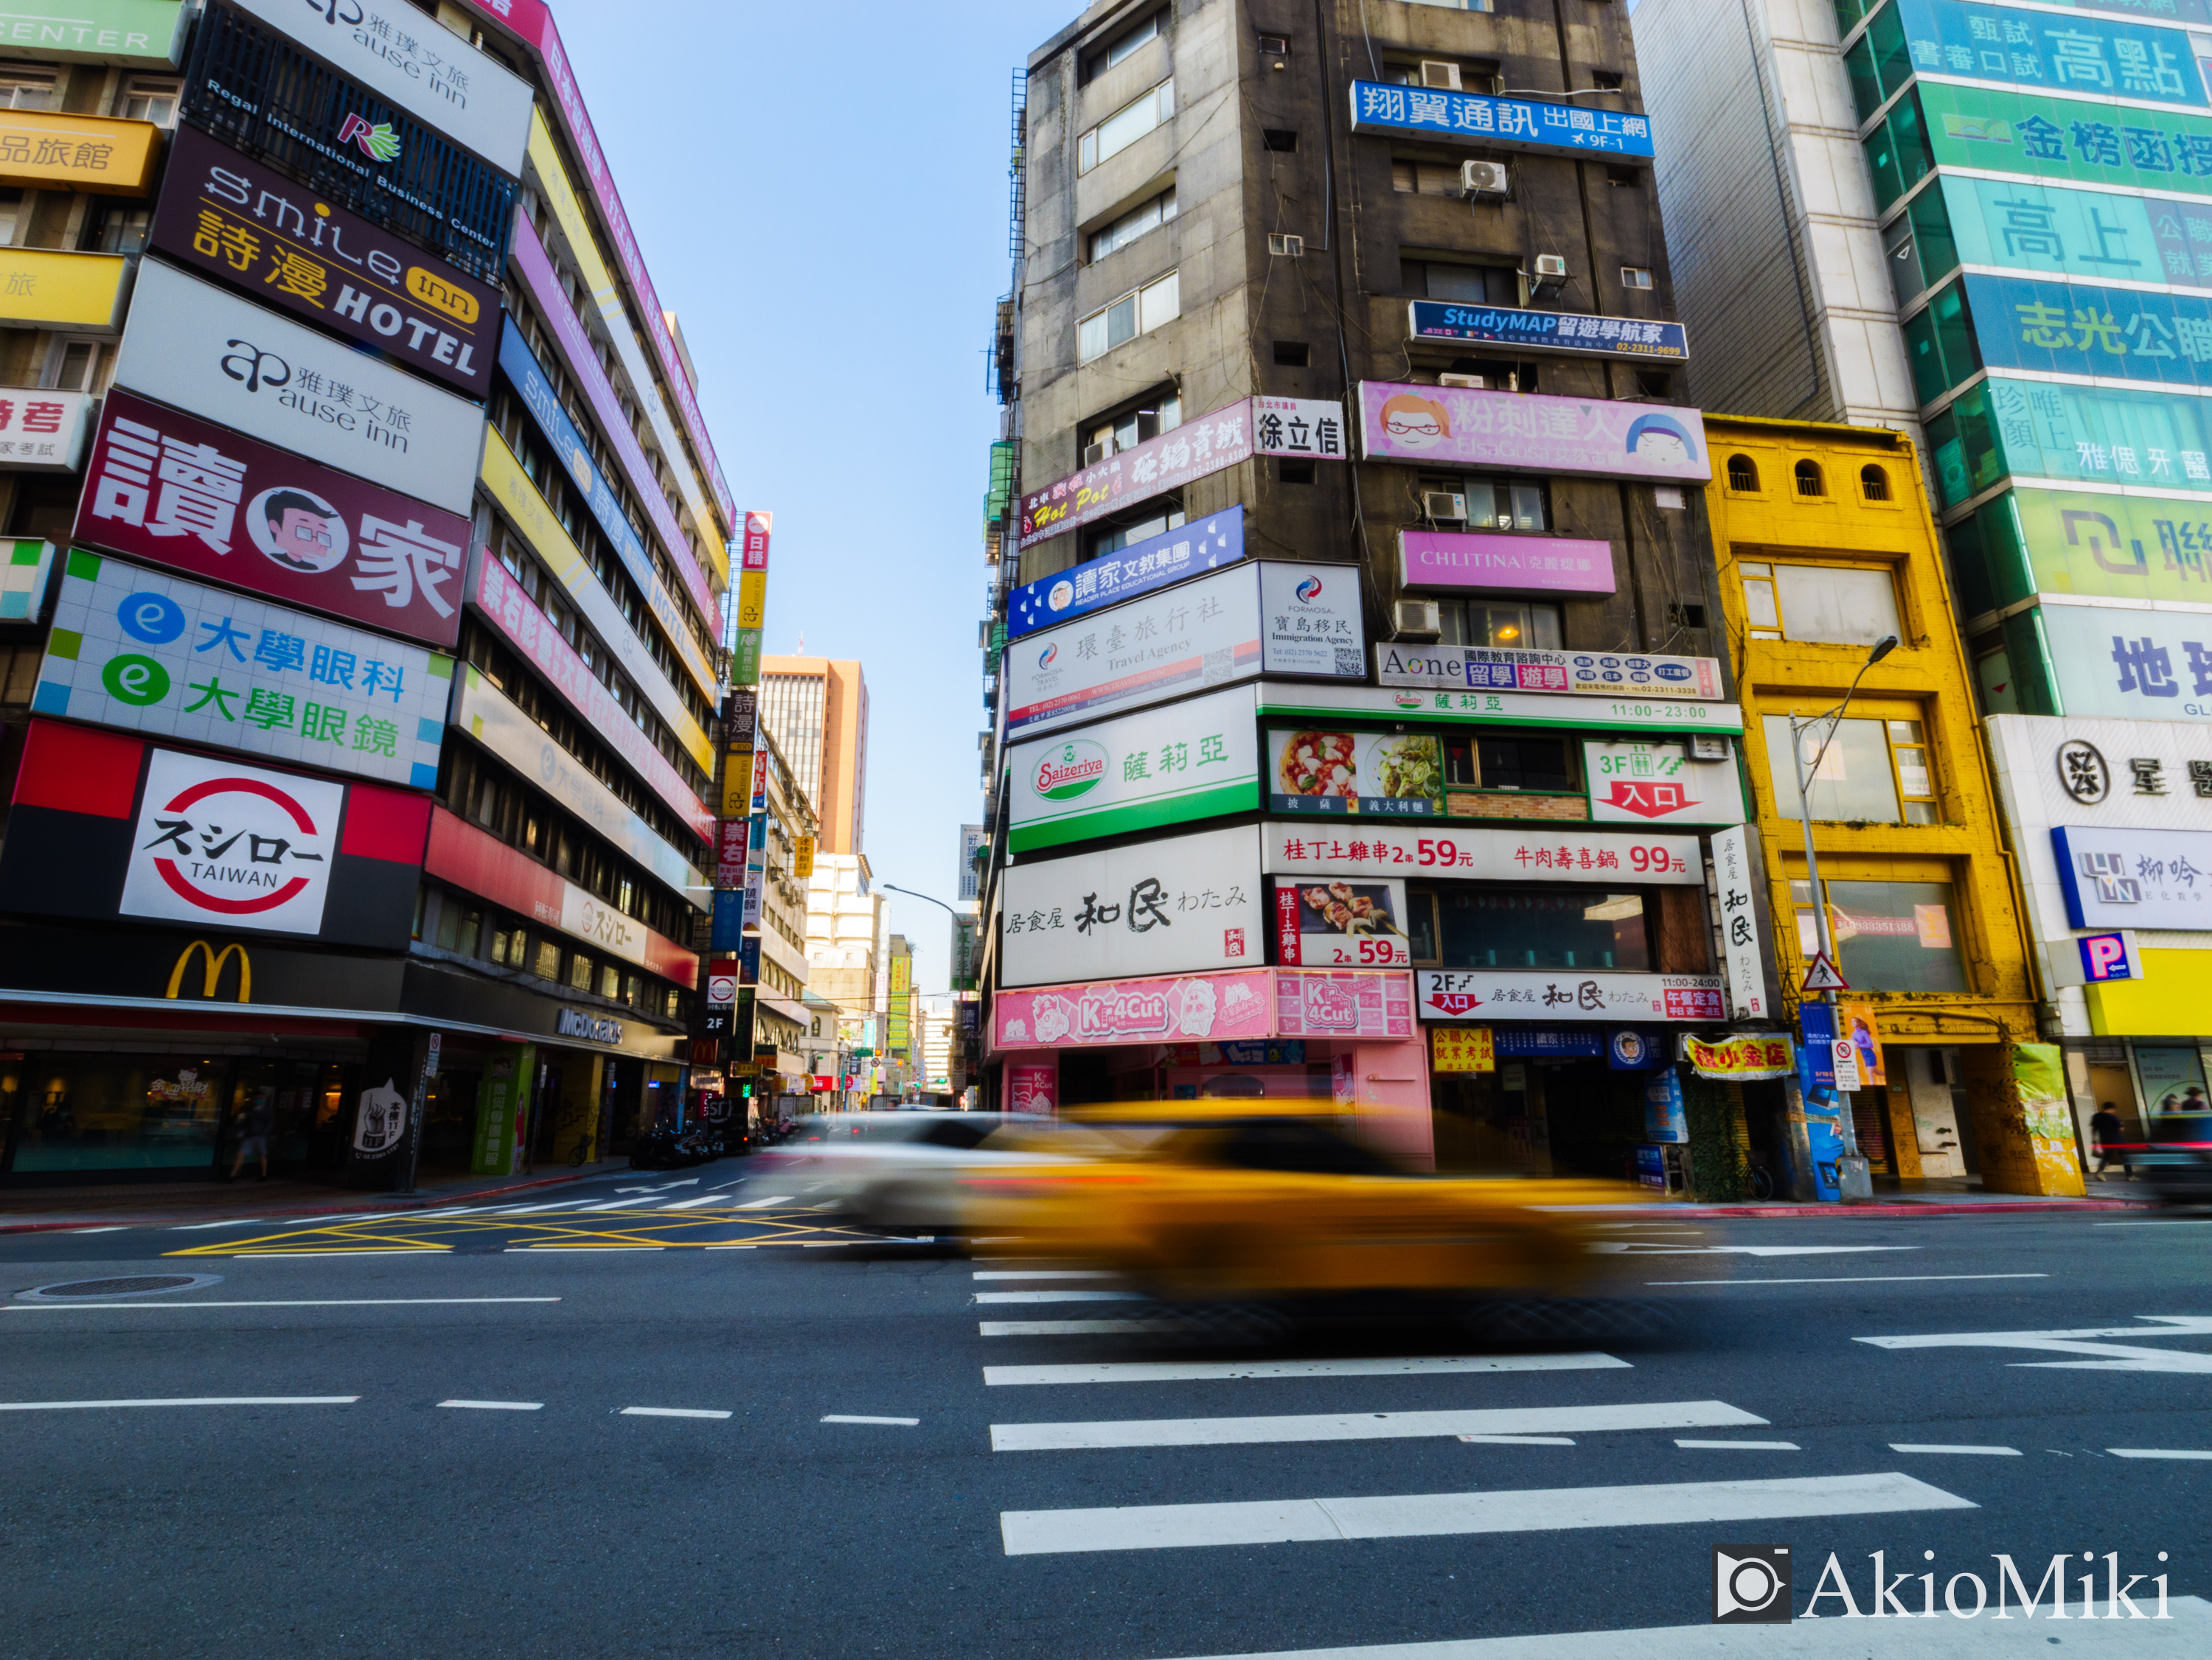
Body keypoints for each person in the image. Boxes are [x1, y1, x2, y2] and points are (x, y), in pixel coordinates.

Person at [229, 1090, 276, 1182]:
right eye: (257, 1098)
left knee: (262, 1154)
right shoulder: (251, 1110)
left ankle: (264, 1175)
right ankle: (232, 1175)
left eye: (261, 1098)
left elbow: (270, 1123)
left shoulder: (266, 1109)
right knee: (241, 1154)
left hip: (260, 1136)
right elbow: (246, 1122)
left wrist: (264, 1133)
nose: (259, 1100)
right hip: (250, 1135)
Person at [2090, 1101, 2129, 1181]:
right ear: (2111, 1109)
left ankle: (2100, 1172)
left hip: (2105, 1140)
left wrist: (2094, 1140)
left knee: (2106, 1157)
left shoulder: (2097, 1117)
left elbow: (2094, 1129)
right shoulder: (2113, 1117)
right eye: (2114, 1110)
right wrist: (2122, 1124)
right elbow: (2121, 1129)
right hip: (2117, 1140)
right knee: (2125, 1157)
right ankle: (2130, 1175)